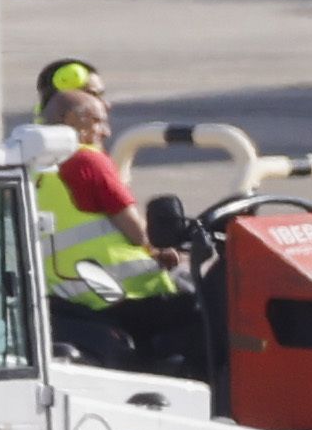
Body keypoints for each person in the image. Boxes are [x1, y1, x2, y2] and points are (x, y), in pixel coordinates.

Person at [26, 59, 195, 373]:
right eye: (95, 99)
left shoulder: (32, 157)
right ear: (70, 115)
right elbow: (137, 232)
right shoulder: (86, 160)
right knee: (198, 311)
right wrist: (163, 250)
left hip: (65, 294)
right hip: (118, 294)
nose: (107, 115)